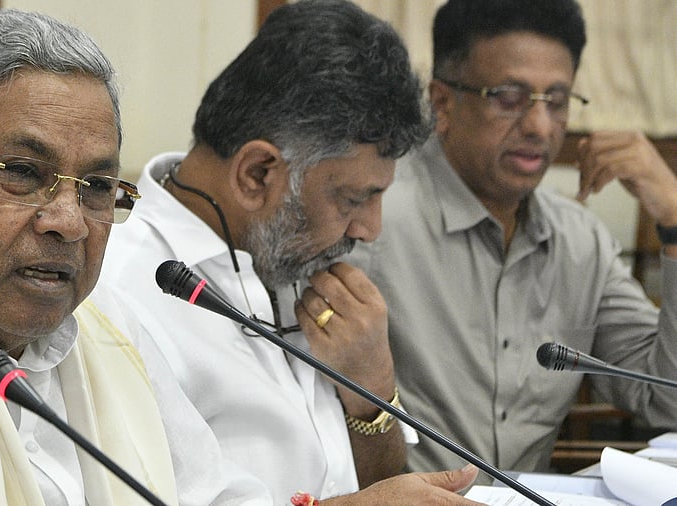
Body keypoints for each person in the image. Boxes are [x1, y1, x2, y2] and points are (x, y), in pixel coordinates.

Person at [0, 5, 481, 506]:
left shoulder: (106, 324)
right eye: (21, 172)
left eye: (92, 187)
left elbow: (213, 497)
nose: (68, 223)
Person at [98, 0, 479, 503]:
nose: (369, 229)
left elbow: (379, 488)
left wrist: (372, 389)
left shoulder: (290, 256)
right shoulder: (116, 297)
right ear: (258, 174)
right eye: (352, 198)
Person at [344, 0, 677, 479]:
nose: (541, 127)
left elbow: (665, 398)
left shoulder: (581, 242)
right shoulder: (369, 217)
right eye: (508, 97)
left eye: (557, 101)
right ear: (442, 103)